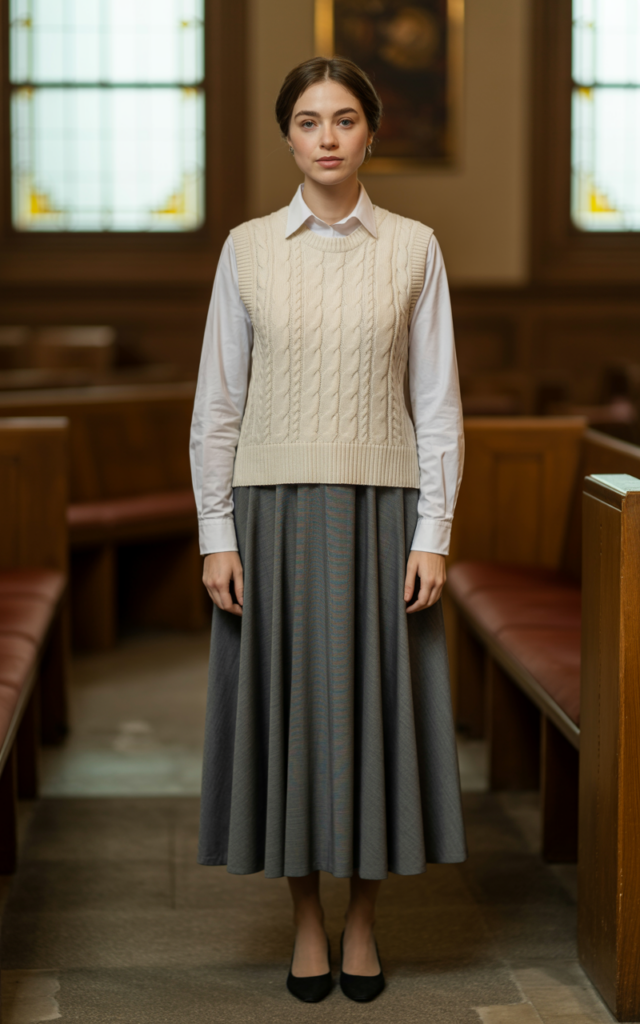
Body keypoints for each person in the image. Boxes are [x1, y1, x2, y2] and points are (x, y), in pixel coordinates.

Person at [189, 55, 466, 1005]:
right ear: (288, 137)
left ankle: (362, 921)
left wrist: (434, 530)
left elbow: (437, 405)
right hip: (269, 516)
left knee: (372, 722)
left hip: (383, 515)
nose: (328, 137)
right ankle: (306, 919)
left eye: (345, 119)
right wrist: (214, 532)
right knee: (292, 723)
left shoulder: (414, 247)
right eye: (309, 121)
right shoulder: (248, 248)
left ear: (371, 133)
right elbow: (217, 406)